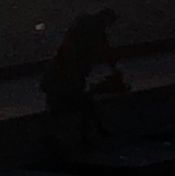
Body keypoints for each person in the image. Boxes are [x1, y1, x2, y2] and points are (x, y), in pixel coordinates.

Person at [40, 9, 119, 142]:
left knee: (74, 106)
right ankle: (82, 134)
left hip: (68, 74)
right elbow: (103, 51)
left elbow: (104, 51)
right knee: (76, 105)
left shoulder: (86, 33)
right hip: (66, 75)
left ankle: (81, 134)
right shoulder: (88, 35)